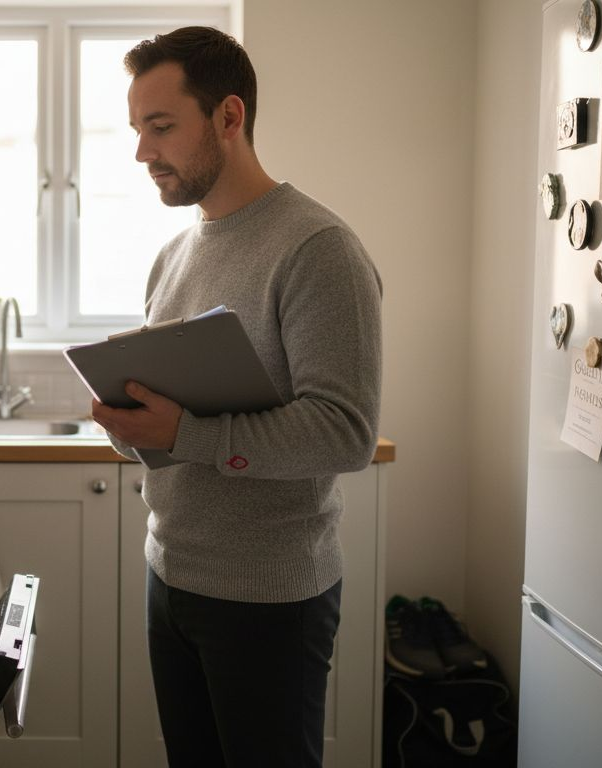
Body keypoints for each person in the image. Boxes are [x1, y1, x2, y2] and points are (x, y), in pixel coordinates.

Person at [90, 26, 382, 768]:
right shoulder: (174, 254)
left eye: (161, 127)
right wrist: (132, 425)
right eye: (136, 130)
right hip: (171, 575)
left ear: (229, 116)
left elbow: (343, 432)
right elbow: (180, 423)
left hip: (269, 599)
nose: (141, 153)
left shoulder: (317, 249)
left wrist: (184, 433)